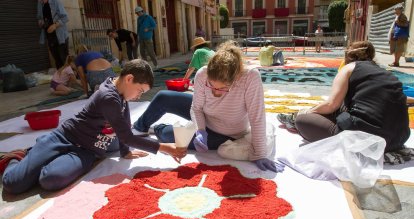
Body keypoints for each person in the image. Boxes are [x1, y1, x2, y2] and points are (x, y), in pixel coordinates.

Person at [0, 59, 187, 194]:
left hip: (86, 151)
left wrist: (125, 151)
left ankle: (41, 160)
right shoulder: (108, 95)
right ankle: (20, 157)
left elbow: (125, 124)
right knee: (13, 184)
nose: (139, 96)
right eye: (140, 91)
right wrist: (163, 148)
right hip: (64, 138)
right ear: (129, 79)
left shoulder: (121, 93)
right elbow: (126, 136)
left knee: (50, 180)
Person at [132, 41, 281, 172]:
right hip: (205, 116)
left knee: (167, 136)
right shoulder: (202, 74)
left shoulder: (250, 77)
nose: (216, 92)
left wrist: (259, 154)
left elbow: (257, 118)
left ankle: (157, 128)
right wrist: (200, 130)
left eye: (222, 88)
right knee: (163, 97)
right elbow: (196, 107)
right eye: (211, 86)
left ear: (235, 79)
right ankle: (139, 127)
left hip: (226, 132)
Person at [294, 41, 410, 152]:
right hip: (399, 139)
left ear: (348, 56)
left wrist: (307, 112)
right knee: (343, 106)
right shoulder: (385, 73)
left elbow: (332, 105)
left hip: (368, 141)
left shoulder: (349, 68)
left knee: (301, 120)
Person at [37, 0, 69, 69]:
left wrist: (55, 26)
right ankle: (61, 78)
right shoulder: (40, 4)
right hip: (50, 37)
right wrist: (40, 22)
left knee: (64, 61)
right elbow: (39, 18)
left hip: (60, 37)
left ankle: (70, 78)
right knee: (57, 61)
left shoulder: (56, 2)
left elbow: (65, 17)